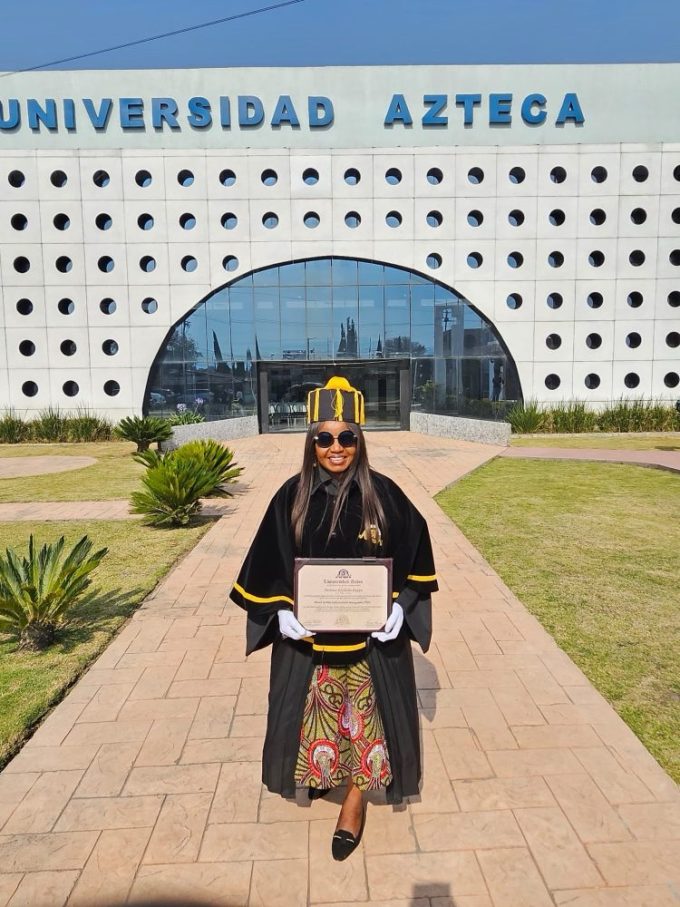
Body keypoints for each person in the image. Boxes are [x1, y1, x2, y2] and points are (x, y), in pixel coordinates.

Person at [230, 376, 437, 861]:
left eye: (347, 437)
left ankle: (355, 801)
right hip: (312, 642)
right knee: (314, 714)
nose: (336, 447)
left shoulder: (384, 495)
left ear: (360, 441)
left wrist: (401, 604)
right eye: (324, 437)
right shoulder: (291, 497)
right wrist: (279, 610)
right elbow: (266, 561)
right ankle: (326, 772)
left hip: (369, 643)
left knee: (368, 718)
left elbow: (418, 548)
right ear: (311, 442)